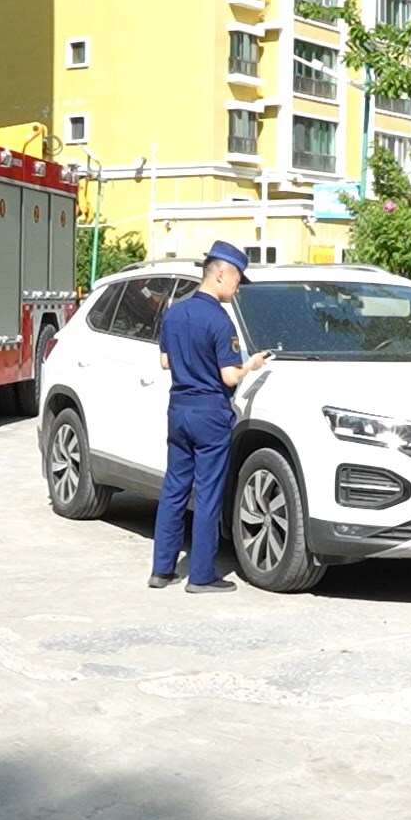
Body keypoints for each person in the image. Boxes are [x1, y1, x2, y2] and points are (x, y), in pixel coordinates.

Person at [151, 240, 271, 593]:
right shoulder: (220, 320)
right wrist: (252, 365)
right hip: (210, 413)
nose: (237, 288)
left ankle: (161, 570)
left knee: (174, 488)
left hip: (179, 409)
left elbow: (165, 362)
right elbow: (229, 377)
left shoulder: (175, 313)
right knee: (207, 493)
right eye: (237, 280)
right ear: (220, 274)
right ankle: (201, 575)